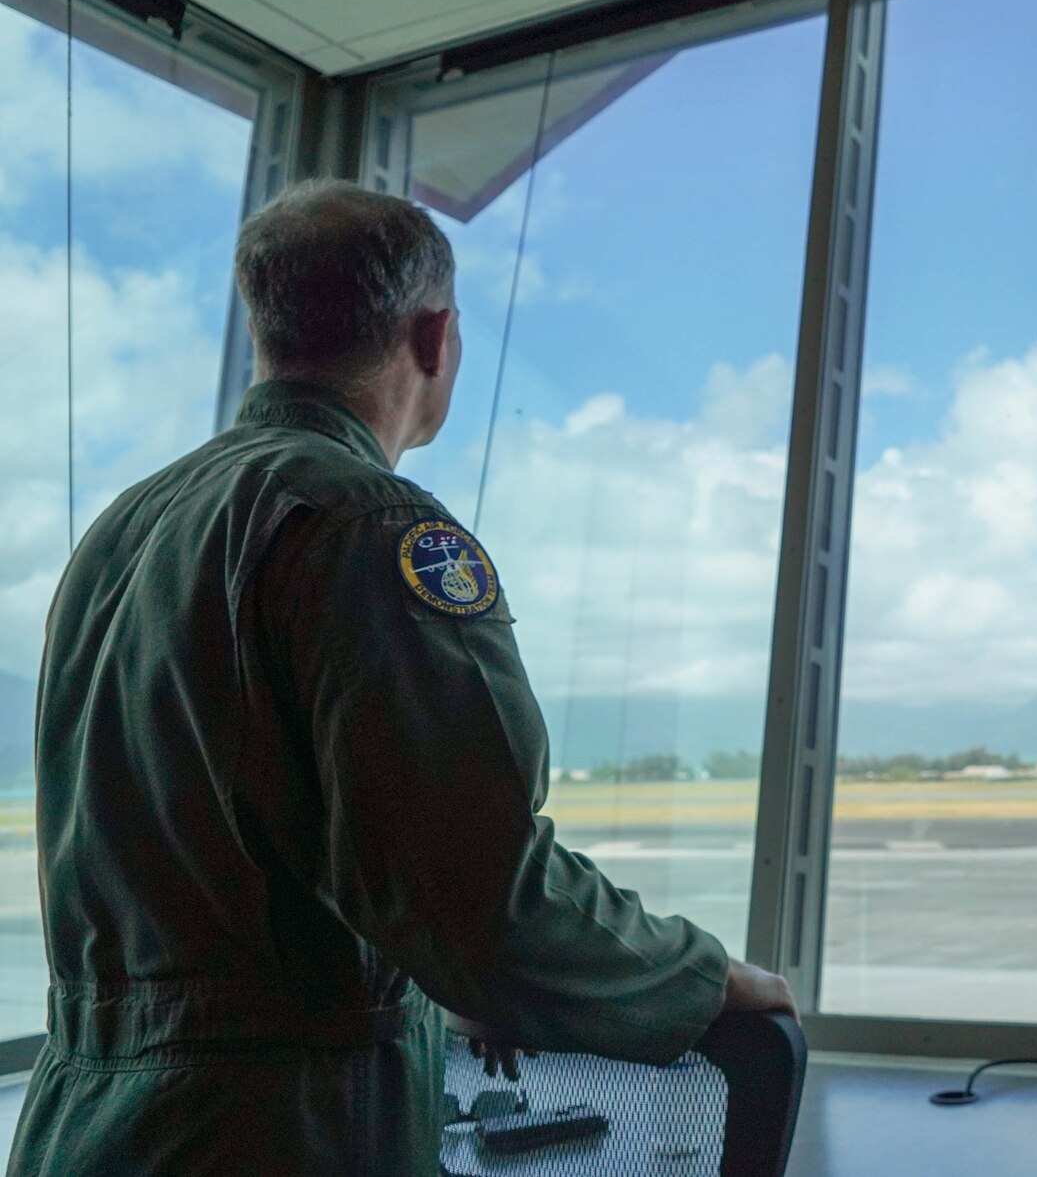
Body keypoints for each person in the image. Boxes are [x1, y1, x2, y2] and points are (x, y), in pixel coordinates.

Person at [9, 181, 795, 1176]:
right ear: (433, 337)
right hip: (267, 1135)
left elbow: (240, 864)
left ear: (266, 332)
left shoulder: (125, 531)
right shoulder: (365, 525)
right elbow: (481, 895)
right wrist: (702, 977)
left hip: (84, 1128)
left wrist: (427, 978)